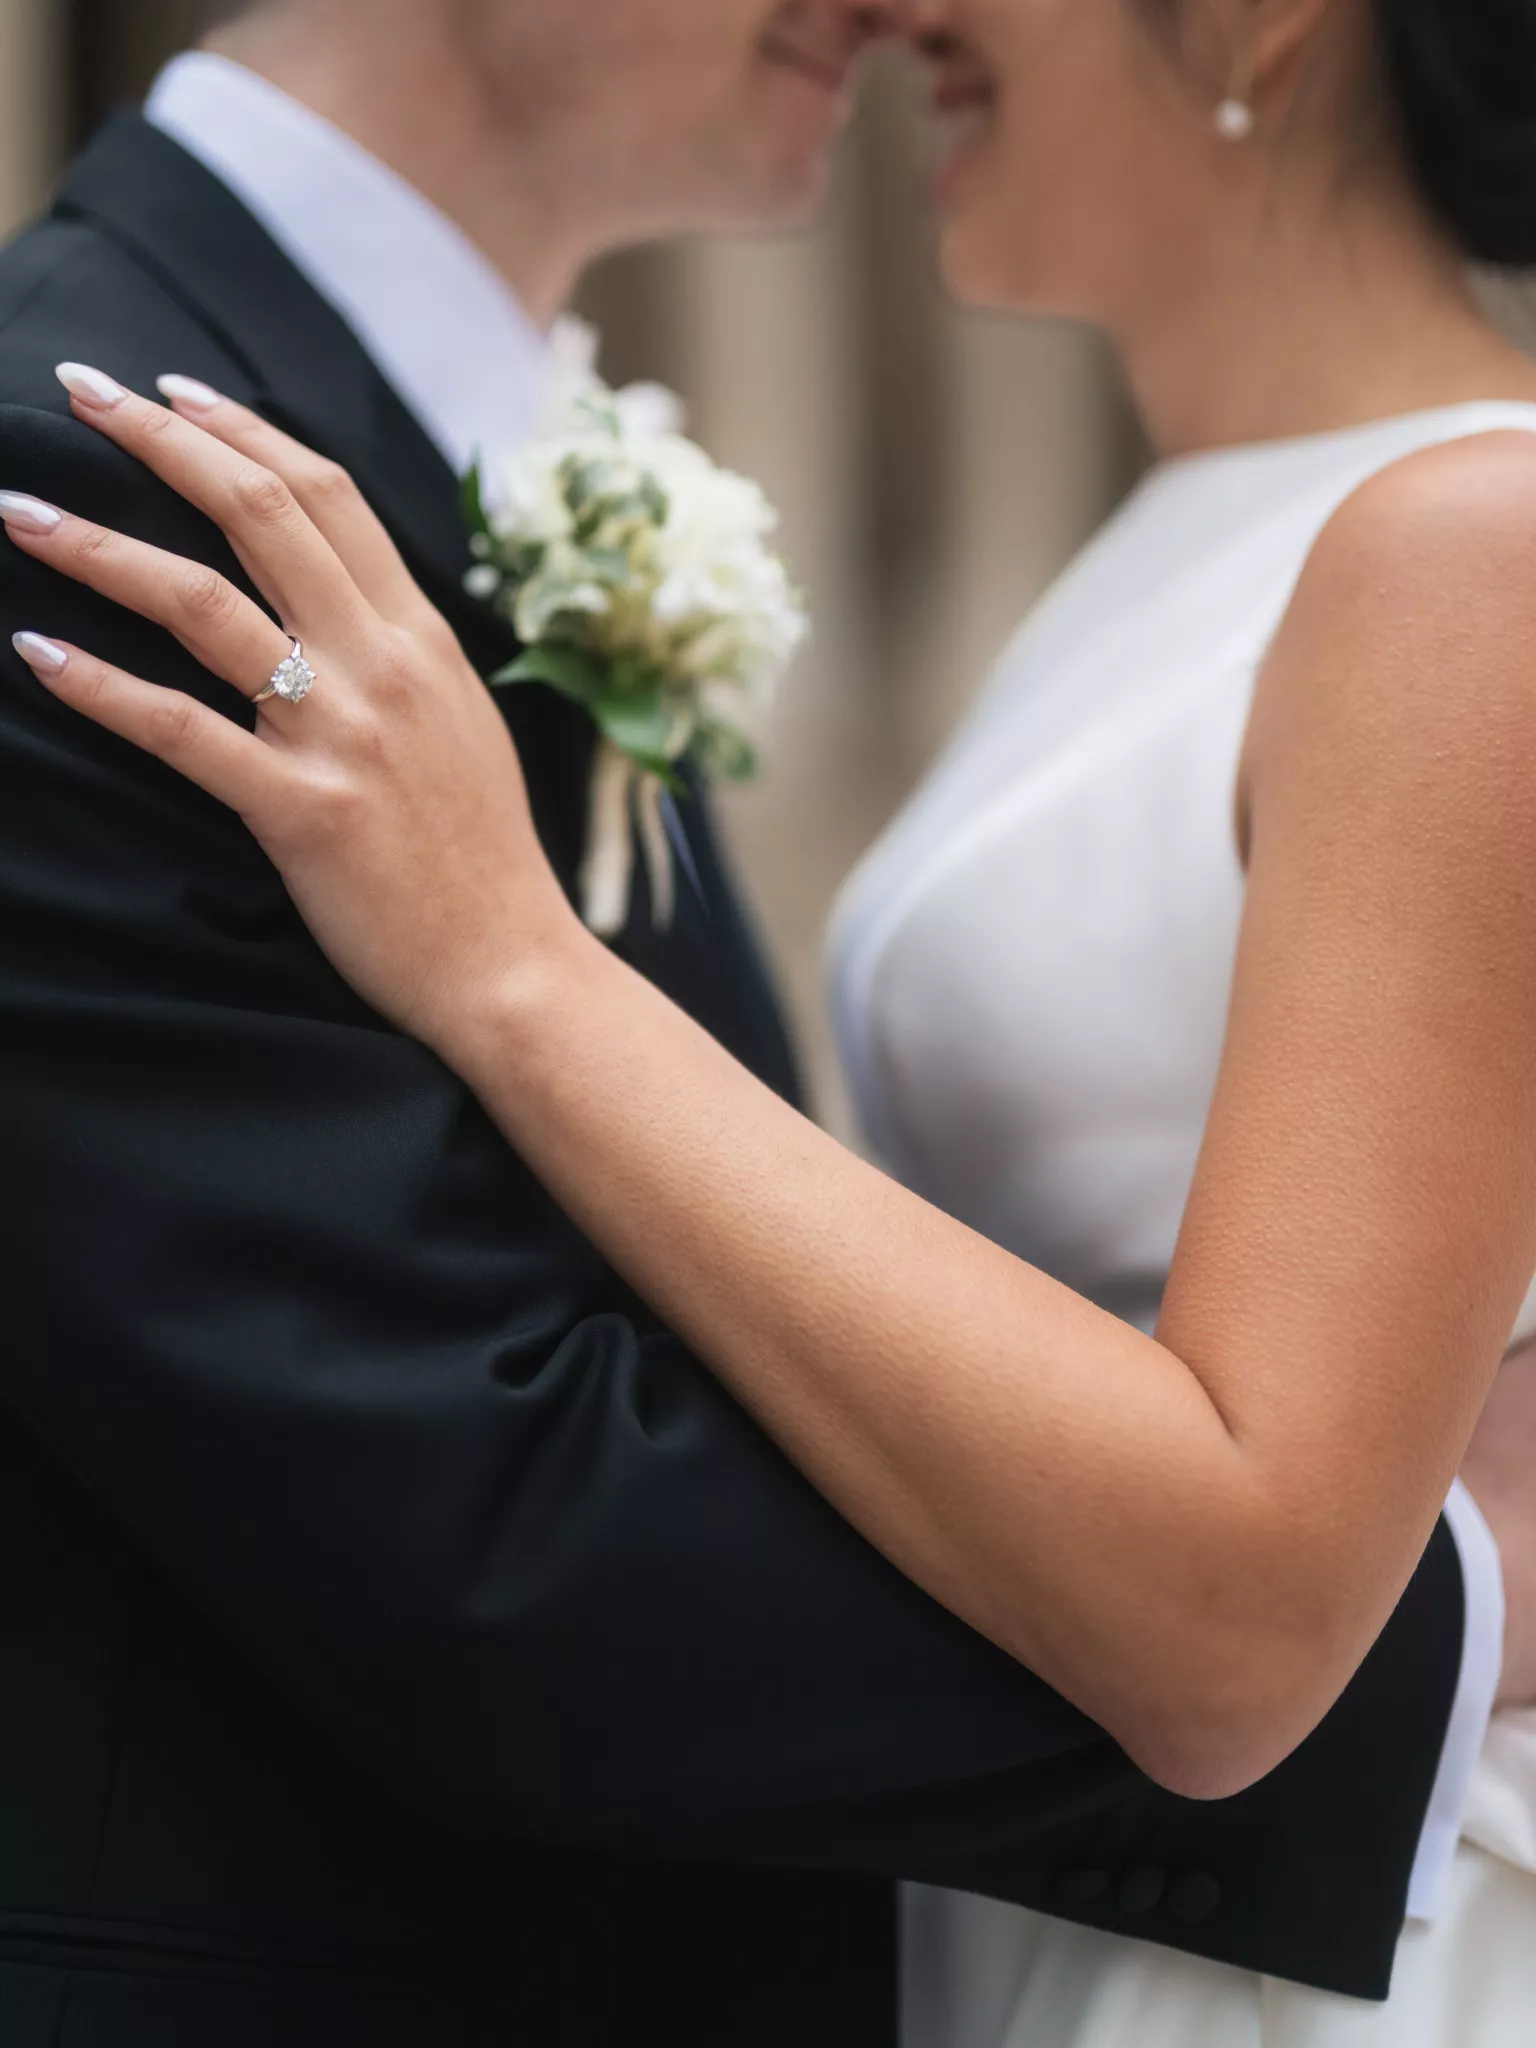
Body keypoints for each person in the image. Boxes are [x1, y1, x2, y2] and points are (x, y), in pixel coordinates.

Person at [0, 3, 1533, 2047]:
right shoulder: (98, 468)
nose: (908, 9)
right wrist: (1437, 1602)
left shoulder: (1452, 556)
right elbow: (480, 1467)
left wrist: (507, 958)